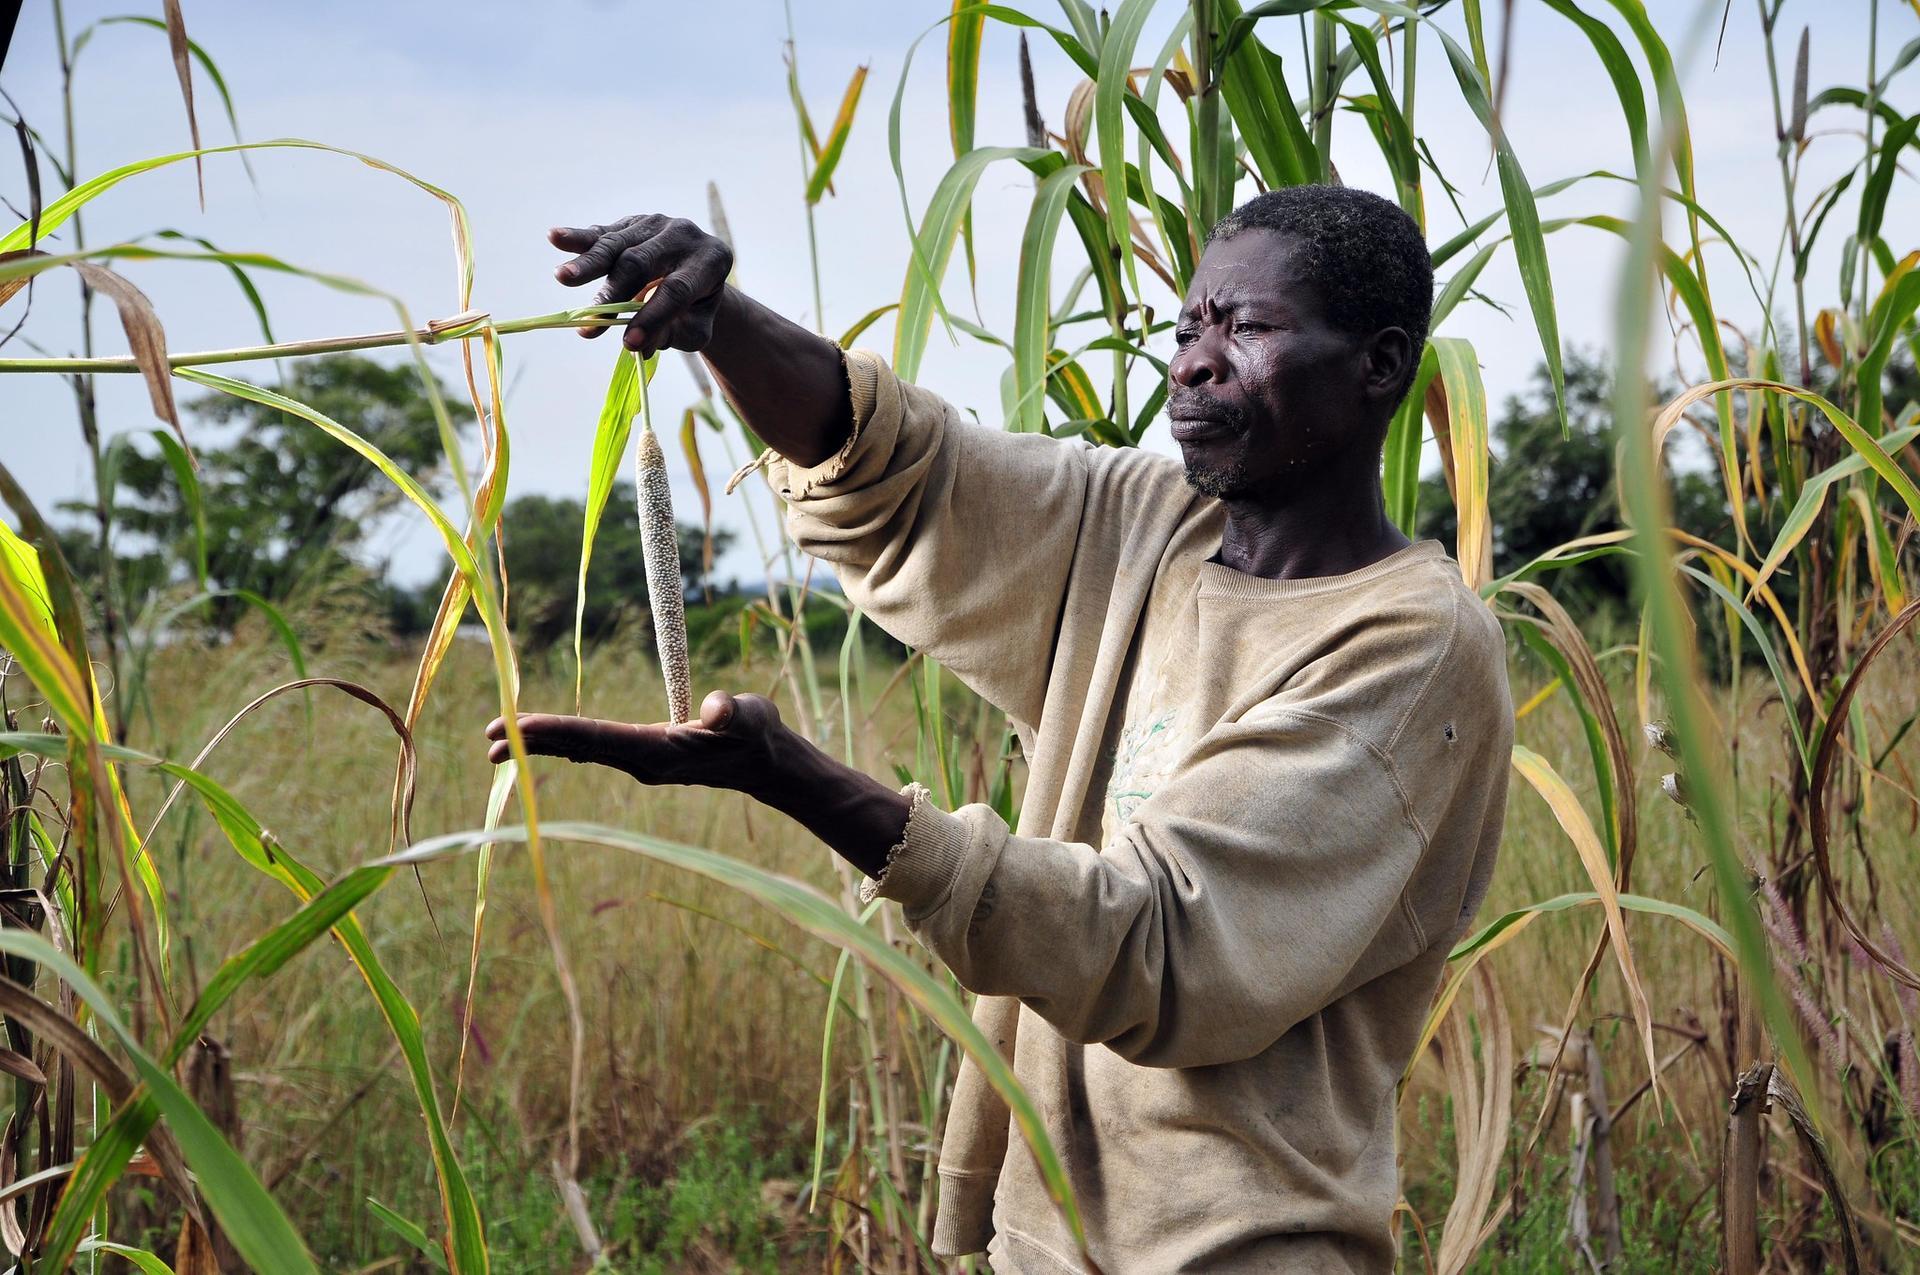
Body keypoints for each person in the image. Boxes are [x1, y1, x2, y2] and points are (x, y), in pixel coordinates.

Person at [485, 185, 1513, 1273]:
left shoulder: (1412, 647)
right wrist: (719, 322)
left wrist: (797, 780)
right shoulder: (1141, 526)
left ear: (1381, 365)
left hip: (1242, 1247)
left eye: (1248, 329)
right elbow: (902, 477)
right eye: (1188, 328)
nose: (1196, 363)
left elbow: (1160, 948)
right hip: (1046, 1239)